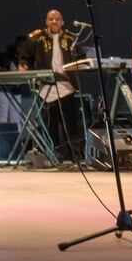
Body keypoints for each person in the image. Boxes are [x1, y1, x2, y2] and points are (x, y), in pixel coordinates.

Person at [19, 9, 85, 163]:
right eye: (51, 19)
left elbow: (82, 57)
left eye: (57, 19)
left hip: (66, 86)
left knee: (71, 125)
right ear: (46, 22)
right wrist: (23, 66)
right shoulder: (36, 38)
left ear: (62, 22)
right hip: (45, 87)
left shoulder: (71, 38)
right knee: (50, 126)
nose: (54, 22)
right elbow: (25, 56)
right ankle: (56, 157)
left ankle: (77, 158)